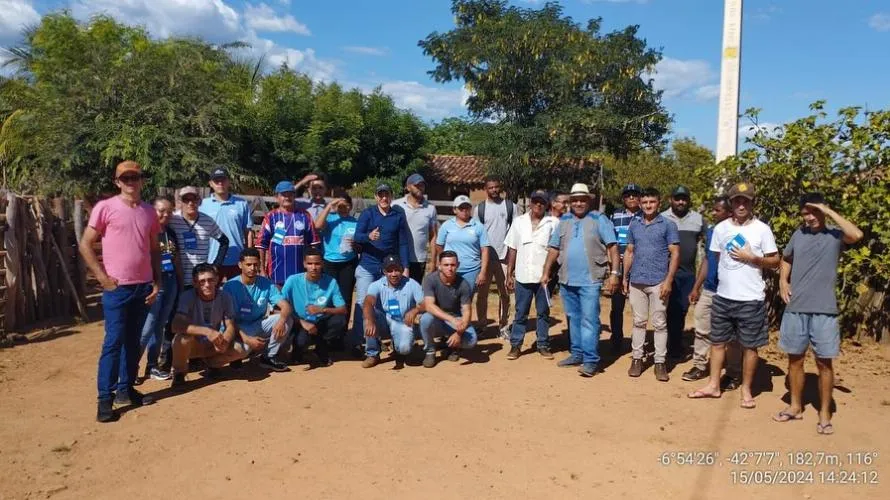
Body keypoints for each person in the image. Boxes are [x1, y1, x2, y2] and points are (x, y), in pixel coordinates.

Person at [80, 161, 161, 422]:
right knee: (113, 342)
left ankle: (125, 390)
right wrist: (102, 278)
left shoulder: (149, 212)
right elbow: (85, 244)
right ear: (117, 182)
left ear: (141, 180)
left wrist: (157, 283)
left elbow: (155, 250)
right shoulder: (106, 208)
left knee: (132, 340)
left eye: (134, 177)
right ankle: (105, 397)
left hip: (143, 287)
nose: (130, 182)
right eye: (125, 178)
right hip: (117, 288)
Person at [775, 193, 862, 434]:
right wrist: (783, 280)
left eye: (814, 212)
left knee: (824, 363)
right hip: (796, 308)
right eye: (805, 213)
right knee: (795, 360)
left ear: (823, 211)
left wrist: (829, 210)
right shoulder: (798, 235)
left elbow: (857, 235)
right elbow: (786, 258)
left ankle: (824, 413)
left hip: (825, 310)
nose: (810, 217)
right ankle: (795, 407)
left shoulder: (835, 235)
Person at [689, 182, 779, 409]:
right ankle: (713, 385)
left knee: (750, 346)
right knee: (717, 343)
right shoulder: (721, 229)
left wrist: (753, 258)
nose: (741, 205)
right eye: (737, 200)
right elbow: (715, 260)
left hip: (751, 299)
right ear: (731, 203)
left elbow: (775, 261)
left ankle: (746, 389)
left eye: (745, 201)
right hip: (723, 297)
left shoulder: (762, 229)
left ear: (752, 203)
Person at [541, 183, 620, 377]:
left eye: (581, 200)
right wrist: (546, 272)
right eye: (574, 200)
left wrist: (614, 274)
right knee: (573, 318)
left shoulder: (599, 219)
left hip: (590, 279)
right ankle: (576, 353)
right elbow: (553, 248)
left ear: (588, 200)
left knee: (589, 320)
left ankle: (591, 360)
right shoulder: (564, 220)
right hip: (567, 279)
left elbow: (612, 247)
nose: (578, 203)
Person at [683, 196, 742, 387]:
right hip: (709, 289)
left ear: (729, 212)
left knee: (732, 336)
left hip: (731, 292)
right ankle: (699, 365)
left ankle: (732, 373)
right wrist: (696, 287)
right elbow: (708, 260)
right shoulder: (711, 232)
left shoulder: (740, 234)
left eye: (717, 210)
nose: (713, 213)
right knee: (701, 327)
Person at [622, 188, 680, 381]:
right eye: (645, 202)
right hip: (637, 281)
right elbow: (629, 251)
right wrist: (624, 277)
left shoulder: (668, 225)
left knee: (659, 323)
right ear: (640, 203)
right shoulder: (635, 225)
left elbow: (675, 253)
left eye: (652, 202)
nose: (648, 205)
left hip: (658, 282)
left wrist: (668, 280)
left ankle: (660, 362)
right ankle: (637, 359)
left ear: (659, 202)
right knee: (638, 322)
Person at [351, 183, 411, 352]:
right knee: (364, 303)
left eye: (387, 194)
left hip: (388, 268)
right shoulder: (368, 214)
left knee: (384, 305)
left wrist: (405, 266)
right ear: (376, 197)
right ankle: (358, 340)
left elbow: (403, 243)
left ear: (391, 196)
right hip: (367, 266)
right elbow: (357, 236)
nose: (384, 198)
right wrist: (368, 236)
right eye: (381, 194)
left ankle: (379, 338)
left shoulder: (397, 216)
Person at [504, 190, 559, 360]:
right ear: (530, 203)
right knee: (521, 312)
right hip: (522, 275)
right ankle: (516, 345)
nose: (538, 205)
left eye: (542, 202)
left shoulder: (554, 223)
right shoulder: (519, 222)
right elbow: (513, 248)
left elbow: (556, 249)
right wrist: (509, 273)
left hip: (544, 278)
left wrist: (552, 273)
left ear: (546, 204)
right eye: (535, 201)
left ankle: (543, 344)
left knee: (543, 312)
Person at [170, 264, 243, 387]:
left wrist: (225, 340)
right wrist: (207, 331)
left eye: (210, 280)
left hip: (213, 344)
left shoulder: (225, 297)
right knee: (181, 339)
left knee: (240, 349)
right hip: (194, 344)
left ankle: (213, 365)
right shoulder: (187, 297)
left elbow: (230, 325)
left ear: (216, 280)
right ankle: (179, 373)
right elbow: (176, 325)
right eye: (202, 281)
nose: (207, 284)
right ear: (195, 283)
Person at [222, 248, 295, 373]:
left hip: (258, 323)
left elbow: (286, 306)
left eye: (256, 264)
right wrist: (247, 339)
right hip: (237, 328)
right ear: (240, 265)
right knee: (242, 351)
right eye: (248, 264)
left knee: (287, 319)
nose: (252, 268)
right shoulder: (230, 286)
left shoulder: (266, 283)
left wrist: (281, 321)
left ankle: (268, 357)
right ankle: (236, 357)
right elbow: (228, 319)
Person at [137, 196, 181, 383]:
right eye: (161, 210)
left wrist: (180, 283)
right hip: (154, 282)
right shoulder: (146, 232)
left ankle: (152, 366)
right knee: (147, 327)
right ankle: (131, 367)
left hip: (171, 281)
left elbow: (176, 258)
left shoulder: (170, 232)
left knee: (160, 327)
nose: (165, 214)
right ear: (152, 210)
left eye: (169, 211)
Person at [280, 247, 349, 367]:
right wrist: (302, 322)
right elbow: (280, 306)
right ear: (304, 264)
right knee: (301, 341)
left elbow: (343, 309)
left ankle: (321, 346)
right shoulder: (293, 280)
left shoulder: (330, 282)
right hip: (299, 322)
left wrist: (323, 309)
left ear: (322, 264)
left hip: (319, 321)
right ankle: (298, 349)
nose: (313, 267)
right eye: (310, 263)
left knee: (340, 320)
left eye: (317, 263)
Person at [661, 186, 706, 359]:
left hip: (687, 274)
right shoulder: (662, 217)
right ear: (670, 199)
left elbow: (706, 242)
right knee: (665, 309)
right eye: (677, 198)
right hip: (665, 272)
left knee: (681, 309)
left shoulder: (698, 219)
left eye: (684, 199)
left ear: (688, 200)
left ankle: (674, 344)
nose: (681, 202)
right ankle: (666, 346)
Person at [361, 255, 426, 368]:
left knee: (404, 349)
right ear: (384, 272)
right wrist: (369, 321)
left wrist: (415, 310)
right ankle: (372, 354)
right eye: (389, 271)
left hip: (403, 322)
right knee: (369, 314)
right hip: (384, 321)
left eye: (397, 270)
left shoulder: (412, 284)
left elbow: (424, 304)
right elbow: (368, 302)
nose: (394, 274)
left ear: (402, 270)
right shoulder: (376, 285)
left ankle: (400, 347)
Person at [473, 176, 517, 338]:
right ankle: (482, 324)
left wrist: (513, 258)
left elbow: (515, 231)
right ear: (486, 189)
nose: (494, 190)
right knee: (482, 294)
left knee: (505, 292)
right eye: (490, 188)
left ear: (501, 187)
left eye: (496, 187)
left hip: (504, 256)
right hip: (485, 258)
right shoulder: (480, 209)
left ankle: (504, 326)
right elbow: (476, 233)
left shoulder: (510, 207)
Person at [420, 251, 478, 367]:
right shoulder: (430, 280)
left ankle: (453, 347)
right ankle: (430, 350)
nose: (450, 268)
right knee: (425, 319)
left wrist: (459, 333)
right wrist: (451, 319)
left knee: (471, 341)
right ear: (439, 265)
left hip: (456, 321)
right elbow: (429, 305)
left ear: (458, 265)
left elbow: (467, 311)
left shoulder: (463, 284)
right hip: (437, 319)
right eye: (446, 265)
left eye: (453, 265)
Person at [256, 180, 318, 287]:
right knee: (279, 303)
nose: (287, 198)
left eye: (290, 194)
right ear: (277, 197)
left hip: (301, 275)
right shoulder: (271, 217)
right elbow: (261, 246)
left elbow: (314, 244)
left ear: (294, 196)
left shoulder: (304, 216)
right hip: (276, 275)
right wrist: (261, 270)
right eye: (283, 195)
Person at [201, 167, 254, 280]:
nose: (220, 183)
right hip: (212, 257)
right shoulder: (203, 205)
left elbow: (248, 231)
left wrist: (249, 255)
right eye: (216, 181)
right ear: (210, 183)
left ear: (229, 181)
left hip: (236, 258)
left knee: (237, 292)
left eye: (223, 180)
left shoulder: (241, 204)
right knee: (211, 293)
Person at [169, 186, 228, 285]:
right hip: (177, 279)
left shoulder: (207, 221)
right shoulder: (172, 220)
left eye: (194, 199)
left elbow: (224, 241)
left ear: (199, 201)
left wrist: (216, 265)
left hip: (200, 280)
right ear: (180, 202)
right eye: (186, 200)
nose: (190, 203)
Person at [609, 183, 642, 353]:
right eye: (628, 195)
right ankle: (616, 339)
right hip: (618, 265)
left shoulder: (646, 216)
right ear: (623, 198)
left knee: (639, 307)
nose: (631, 198)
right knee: (617, 306)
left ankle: (638, 343)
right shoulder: (614, 215)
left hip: (640, 266)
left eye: (635, 195)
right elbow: (609, 241)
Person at [314, 194, 359, 320]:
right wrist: (329, 206)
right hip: (329, 262)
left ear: (350, 206)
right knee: (327, 295)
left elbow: (360, 244)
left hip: (348, 263)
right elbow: (316, 226)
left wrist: (356, 245)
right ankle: (328, 327)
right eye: (340, 205)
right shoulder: (330, 219)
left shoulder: (355, 222)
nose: (343, 207)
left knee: (346, 297)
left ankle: (343, 329)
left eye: (345, 205)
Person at [435, 195, 489, 294]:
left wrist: (483, 272)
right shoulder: (446, 225)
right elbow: (439, 245)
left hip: (471, 270)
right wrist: (445, 261)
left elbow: (485, 250)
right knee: (448, 298)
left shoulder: (479, 227)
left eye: (467, 207)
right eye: (461, 208)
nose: (464, 210)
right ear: (455, 210)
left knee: (466, 299)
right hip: (450, 269)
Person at [393, 173, 439, 284]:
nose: (420, 188)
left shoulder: (431, 209)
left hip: (418, 259)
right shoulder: (396, 205)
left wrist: (433, 261)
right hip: (397, 257)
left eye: (422, 185)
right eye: (416, 185)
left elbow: (433, 236)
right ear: (408, 187)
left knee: (413, 294)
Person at [547, 192, 570, 297]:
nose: (566, 206)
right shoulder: (545, 220)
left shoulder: (570, 221)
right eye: (564, 202)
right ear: (553, 203)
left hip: (565, 266)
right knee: (545, 296)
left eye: (568, 203)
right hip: (548, 265)